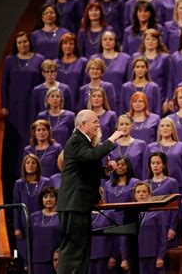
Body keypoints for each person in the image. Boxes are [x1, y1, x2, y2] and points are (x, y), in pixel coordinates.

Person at [56, 109, 124, 273]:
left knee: (82, 252)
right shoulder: (75, 141)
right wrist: (112, 139)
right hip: (74, 205)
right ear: (83, 124)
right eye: (94, 121)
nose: (98, 125)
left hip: (81, 206)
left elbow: (89, 167)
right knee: (73, 252)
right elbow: (92, 156)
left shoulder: (84, 143)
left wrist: (107, 170)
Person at [1, 31, 45, 178]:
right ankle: (17, 172)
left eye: (25, 41)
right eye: (19, 42)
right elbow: (4, 84)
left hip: (31, 105)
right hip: (14, 108)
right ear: (16, 45)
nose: (22, 45)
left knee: (30, 137)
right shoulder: (10, 60)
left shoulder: (39, 59)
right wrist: (4, 105)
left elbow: (42, 84)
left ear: (29, 42)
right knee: (15, 140)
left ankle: (34, 170)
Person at [13, 154, 51, 269]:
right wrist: (17, 228)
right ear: (24, 166)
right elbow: (16, 206)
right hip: (24, 225)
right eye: (28, 163)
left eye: (33, 163)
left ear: (37, 166)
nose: (30, 165)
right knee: (26, 255)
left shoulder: (45, 181)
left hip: (41, 223)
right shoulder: (19, 184)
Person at [143, 118, 182, 191]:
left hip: (178, 187)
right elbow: (146, 171)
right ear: (159, 129)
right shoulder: (150, 148)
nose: (165, 128)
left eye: (168, 126)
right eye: (162, 126)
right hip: (154, 189)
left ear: (173, 129)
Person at [129, 182, 167, 273]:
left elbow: (162, 237)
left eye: (144, 191)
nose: (141, 194)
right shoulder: (130, 214)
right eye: (138, 192)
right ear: (135, 195)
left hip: (153, 256)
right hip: (137, 256)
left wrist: (160, 257)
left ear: (149, 194)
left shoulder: (157, 212)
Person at [145, 152, 179, 247]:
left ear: (163, 165)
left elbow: (175, 207)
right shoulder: (145, 183)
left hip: (166, 225)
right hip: (150, 226)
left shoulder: (171, 182)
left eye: (158, 163)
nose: (155, 166)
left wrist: (172, 227)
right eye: (152, 163)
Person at [91, 30, 132, 110]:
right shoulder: (94, 59)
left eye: (110, 39)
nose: (108, 41)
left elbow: (129, 82)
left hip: (119, 101)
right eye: (105, 39)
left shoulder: (125, 58)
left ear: (115, 42)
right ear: (101, 42)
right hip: (98, 102)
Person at [134, 28, 171, 106]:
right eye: (148, 39)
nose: (150, 41)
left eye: (153, 39)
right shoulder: (136, 57)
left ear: (158, 41)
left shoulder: (165, 58)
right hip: (138, 98)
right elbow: (131, 79)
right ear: (143, 41)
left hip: (159, 98)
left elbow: (168, 80)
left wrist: (167, 99)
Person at [30, 186, 61, 274]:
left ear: (56, 198)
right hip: (37, 260)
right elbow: (30, 239)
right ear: (41, 199)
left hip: (55, 260)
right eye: (45, 197)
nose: (48, 199)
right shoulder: (33, 217)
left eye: (52, 196)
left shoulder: (62, 216)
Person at [107, 115, 147, 180]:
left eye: (127, 124)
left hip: (136, 184)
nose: (124, 126)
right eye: (121, 124)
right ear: (117, 127)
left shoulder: (141, 145)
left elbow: (145, 168)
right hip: (114, 185)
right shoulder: (111, 145)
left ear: (131, 126)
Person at [55, 33, 88, 109]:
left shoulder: (83, 62)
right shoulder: (55, 63)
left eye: (71, 44)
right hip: (58, 103)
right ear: (61, 45)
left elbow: (85, 85)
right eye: (65, 43)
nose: (68, 46)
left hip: (77, 102)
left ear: (75, 46)